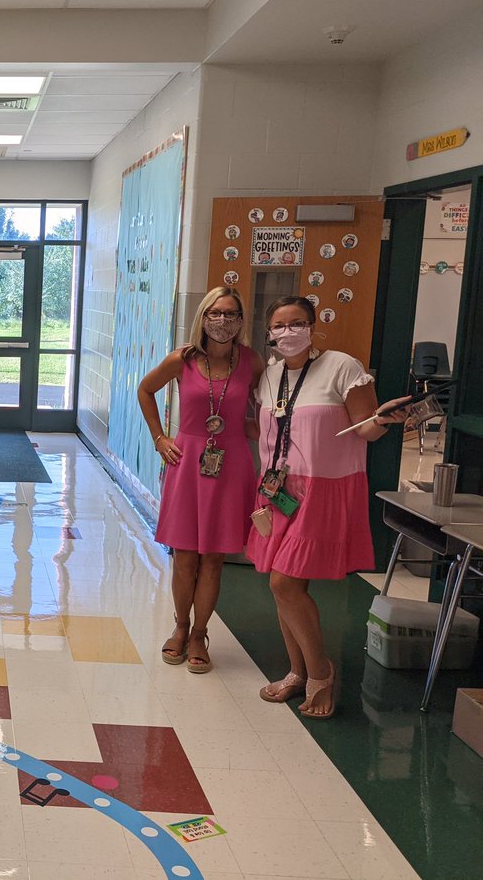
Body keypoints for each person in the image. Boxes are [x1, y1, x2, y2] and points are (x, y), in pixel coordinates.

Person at [250, 296, 408, 718]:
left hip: (325, 489)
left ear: (312, 326)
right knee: (287, 588)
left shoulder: (342, 367)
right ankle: (296, 672)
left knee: (283, 584)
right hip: (278, 490)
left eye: (297, 323)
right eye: (279, 325)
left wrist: (385, 419)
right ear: (269, 333)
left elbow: (367, 428)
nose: (288, 332)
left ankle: (320, 673)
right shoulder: (269, 376)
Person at [138, 287, 262, 674]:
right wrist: (160, 438)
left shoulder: (252, 362)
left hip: (232, 464)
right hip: (188, 460)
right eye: (215, 313)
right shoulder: (183, 360)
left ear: (241, 321)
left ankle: (200, 634)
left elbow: (266, 405)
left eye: (231, 314)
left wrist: (255, 427)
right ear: (203, 317)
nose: (222, 322)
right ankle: (180, 626)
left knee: (214, 558)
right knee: (185, 556)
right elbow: (145, 390)